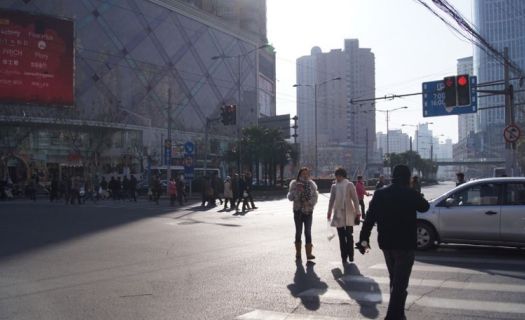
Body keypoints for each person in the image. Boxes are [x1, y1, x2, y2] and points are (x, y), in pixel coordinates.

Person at [358, 164, 430, 320]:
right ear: (408, 178)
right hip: (404, 245)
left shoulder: (380, 193)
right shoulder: (410, 193)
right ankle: (393, 316)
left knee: (395, 280)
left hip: (387, 244)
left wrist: (363, 240)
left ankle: (399, 314)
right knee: (400, 284)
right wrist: (414, 190)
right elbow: (425, 207)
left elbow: (369, 219)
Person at [327, 167, 361, 265]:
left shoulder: (349, 185)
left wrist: (358, 212)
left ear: (343, 176)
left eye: (339, 175)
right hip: (338, 212)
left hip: (349, 212)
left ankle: (351, 255)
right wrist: (329, 212)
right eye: (336, 175)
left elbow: (355, 199)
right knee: (341, 237)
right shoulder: (334, 186)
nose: (337, 177)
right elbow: (331, 200)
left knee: (349, 236)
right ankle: (344, 256)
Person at [287, 167, 318, 260]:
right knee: (298, 232)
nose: (305, 175)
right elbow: (290, 197)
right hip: (298, 211)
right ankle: (298, 253)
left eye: (307, 174)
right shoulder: (294, 183)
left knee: (308, 232)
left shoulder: (312, 184)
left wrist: (308, 203)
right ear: (299, 174)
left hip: (308, 211)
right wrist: (297, 191)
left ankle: (309, 254)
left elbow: (315, 197)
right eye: (303, 173)